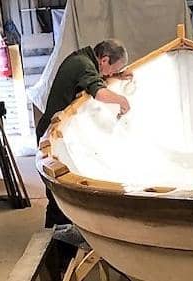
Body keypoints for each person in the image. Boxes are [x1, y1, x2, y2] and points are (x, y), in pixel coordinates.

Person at [37, 39, 132, 228]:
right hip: (51, 135)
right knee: (58, 200)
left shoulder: (82, 58)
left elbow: (94, 78)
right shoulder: (84, 65)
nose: (112, 73)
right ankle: (55, 244)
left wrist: (117, 76)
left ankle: (60, 237)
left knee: (60, 201)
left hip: (51, 129)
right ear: (104, 60)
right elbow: (99, 93)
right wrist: (122, 101)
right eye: (114, 68)